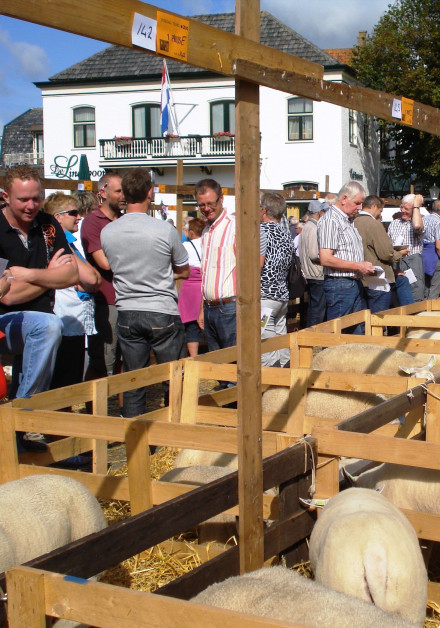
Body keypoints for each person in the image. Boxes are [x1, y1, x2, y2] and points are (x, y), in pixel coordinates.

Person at [0, 165, 78, 450]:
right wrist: (50, 275)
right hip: (5, 323)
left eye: (36, 198)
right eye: (23, 199)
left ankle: (23, 431)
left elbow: (71, 275)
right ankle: (25, 415)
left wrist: (31, 274)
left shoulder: (47, 224)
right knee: (48, 326)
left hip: (40, 324)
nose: (31, 205)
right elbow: (6, 295)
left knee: (47, 329)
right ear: (5, 196)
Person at [101, 168, 189, 417]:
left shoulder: (108, 232)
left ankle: (135, 439)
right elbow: (183, 269)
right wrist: (162, 275)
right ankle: (174, 437)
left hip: (127, 309)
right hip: (161, 308)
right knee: (173, 377)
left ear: (124, 194)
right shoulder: (164, 230)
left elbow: (113, 265)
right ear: (149, 192)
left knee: (133, 380)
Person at [43, 193, 101, 388]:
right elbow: (91, 278)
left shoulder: (68, 242)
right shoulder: (60, 244)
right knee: (65, 379)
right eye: (73, 213)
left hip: (72, 319)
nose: (79, 217)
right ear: (57, 217)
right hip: (67, 319)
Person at [81, 173, 125, 379]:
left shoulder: (125, 221)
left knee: (124, 361)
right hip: (106, 300)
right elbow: (104, 263)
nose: (123, 195)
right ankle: (96, 409)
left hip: (127, 298)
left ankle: (124, 410)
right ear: (103, 193)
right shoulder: (93, 222)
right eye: (118, 191)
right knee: (104, 361)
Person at [317, 181, 375, 334]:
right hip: (340, 285)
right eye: (357, 203)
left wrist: (362, 266)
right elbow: (326, 258)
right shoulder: (331, 220)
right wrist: (358, 266)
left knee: (357, 333)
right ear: (344, 198)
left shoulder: (347, 221)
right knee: (337, 335)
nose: (360, 208)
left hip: (351, 283)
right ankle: (328, 359)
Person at [196, 179, 237, 354]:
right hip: (210, 307)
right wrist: (201, 309)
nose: (206, 208)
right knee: (216, 363)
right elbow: (204, 273)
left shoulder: (235, 226)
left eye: (210, 203)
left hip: (229, 306)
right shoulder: (206, 231)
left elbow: (249, 267)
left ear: (221, 199)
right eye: (201, 205)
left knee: (232, 361)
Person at [354, 195, 408, 313]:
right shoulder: (373, 224)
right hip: (377, 278)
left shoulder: (353, 222)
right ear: (374, 206)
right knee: (379, 318)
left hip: (359, 276)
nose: (379, 214)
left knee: (363, 317)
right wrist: (400, 254)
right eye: (380, 210)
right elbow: (386, 253)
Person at [259, 192, 294, 366]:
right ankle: (285, 375)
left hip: (265, 297)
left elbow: (258, 264)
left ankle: (271, 380)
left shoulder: (261, 232)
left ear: (263, 210)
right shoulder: (286, 234)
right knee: (281, 338)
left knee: (266, 341)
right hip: (281, 295)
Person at [387, 193, 425, 302]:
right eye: (401, 207)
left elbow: (417, 226)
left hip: (412, 261)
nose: (403, 210)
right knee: (396, 296)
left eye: (406, 208)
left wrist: (417, 206)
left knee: (415, 293)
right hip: (396, 261)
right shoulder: (394, 223)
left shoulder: (419, 222)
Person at [298, 199, 328, 327]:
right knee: (318, 309)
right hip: (316, 273)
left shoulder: (306, 227)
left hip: (310, 273)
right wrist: (329, 258)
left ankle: (311, 335)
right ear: (319, 212)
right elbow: (313, 253)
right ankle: (314, 337)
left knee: (313, 307)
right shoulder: (314, 228)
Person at [178, 217, 205, 357]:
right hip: (205, 287)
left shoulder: (185, 246)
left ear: (192, 232)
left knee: (191, 325)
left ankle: (194, 357)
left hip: (189, 289)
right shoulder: (208, 243)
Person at [422, 199, 440, 299]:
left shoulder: (424, 219)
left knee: (425, 285)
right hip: (434, 255)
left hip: (423, 254)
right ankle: (430, 311)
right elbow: (438, 246)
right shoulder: (438, 222)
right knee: (435, 285)